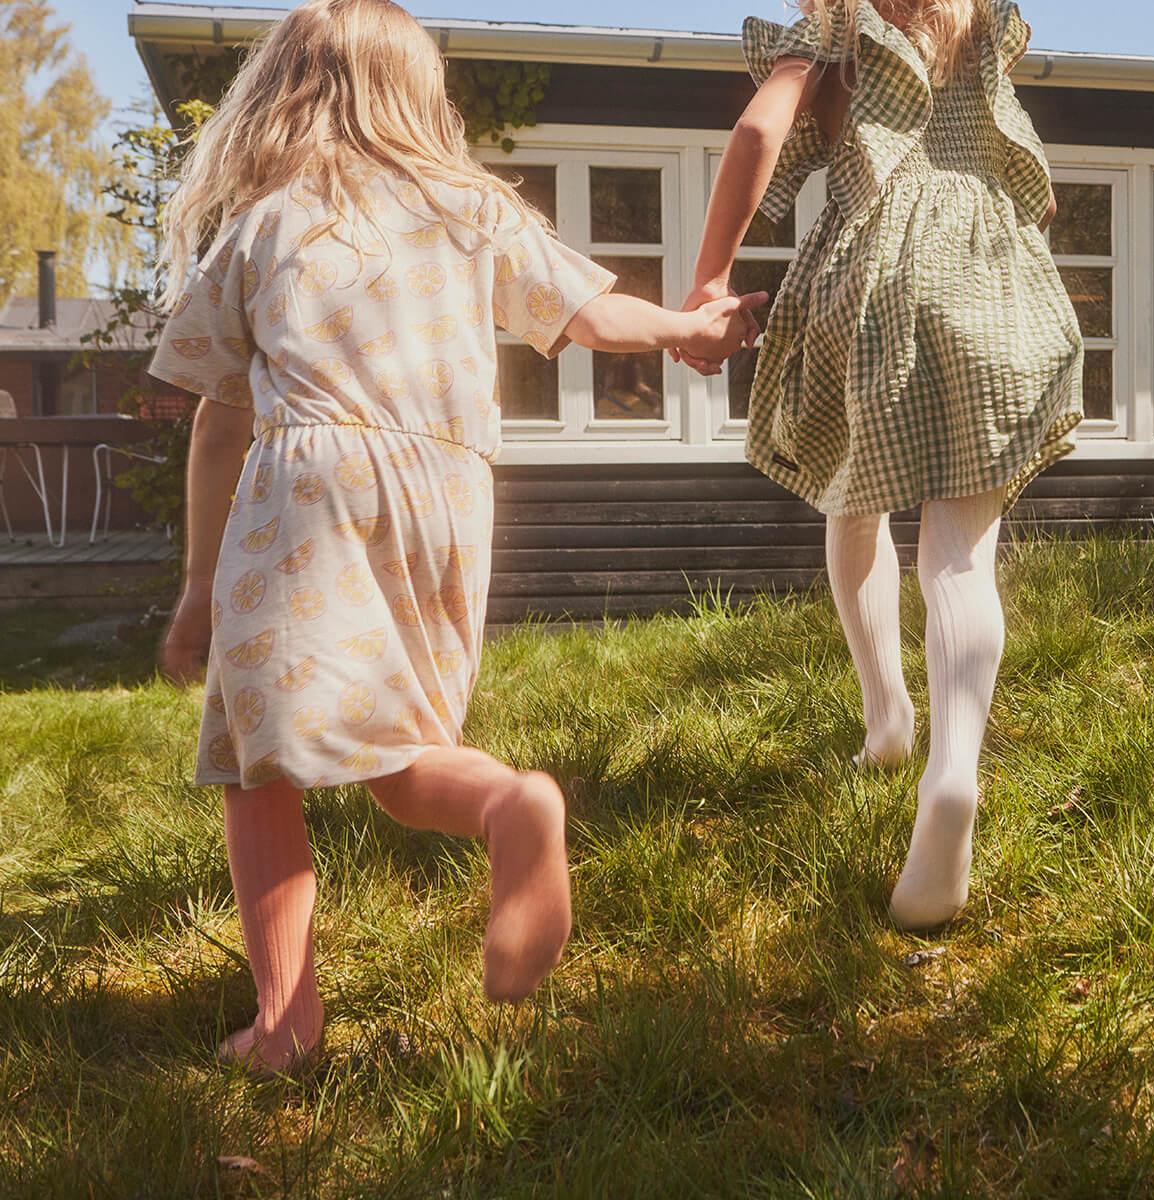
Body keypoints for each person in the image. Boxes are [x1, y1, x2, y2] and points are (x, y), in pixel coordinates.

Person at [149, 0, 763, 1074]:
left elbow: (215, 422)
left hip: (308, 492)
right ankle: (511, 802)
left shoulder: (268, 223)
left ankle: (286, 1022)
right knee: (401, 752)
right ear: (419, 94)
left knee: (257, 767)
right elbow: (592, 315)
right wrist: (689, 328)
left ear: (284, 93)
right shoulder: (472, 207)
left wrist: (201, 583)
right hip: (448, 497)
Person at [680, 0, 1083, 930]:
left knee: (851, 503)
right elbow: (1037, 190)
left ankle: (887, 720)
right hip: (995, 276)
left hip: (875, 276)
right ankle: (952, 771)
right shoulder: (981, 28)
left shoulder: (833, 26)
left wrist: (709, 279)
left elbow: (758, 132)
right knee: (962, 558)